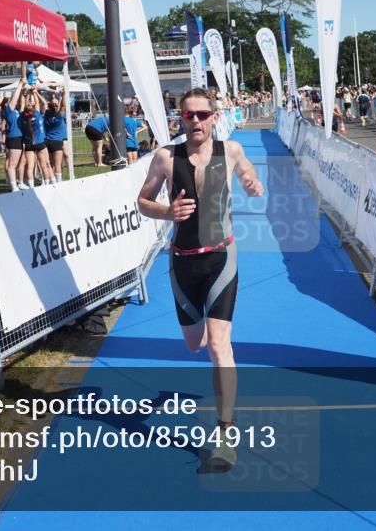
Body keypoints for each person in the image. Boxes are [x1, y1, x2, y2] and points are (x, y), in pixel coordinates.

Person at [136, 88, 264, 470]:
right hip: (183, 263)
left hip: (222, 258)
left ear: (214, 116)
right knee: (195, 344)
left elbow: (249, 174)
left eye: (202, 114)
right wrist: (167, 211)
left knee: (219, 347)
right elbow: (142, 202)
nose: (195, 121)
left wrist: (253, 185)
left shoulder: (232, 150)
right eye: (188, 114)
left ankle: (225, 434)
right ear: (180, 117)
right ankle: (204, 329)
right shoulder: (165, 157)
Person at [20, 86, 55, 187]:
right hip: (39, 142)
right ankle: (48, 184)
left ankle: (31, 186)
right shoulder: (37, 114)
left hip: (29, 144)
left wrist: (27, 95)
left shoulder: (23, 117)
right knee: (44, 165)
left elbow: (24, 105)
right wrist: (34, 92)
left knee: (30, 166)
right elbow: (39, 104)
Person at [1, 82, 26, 191]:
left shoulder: (15, 111)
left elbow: (22, 102)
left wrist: (25, 92)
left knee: (21, 162)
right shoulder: (8, 111)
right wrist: (20, 85)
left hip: (20, 138)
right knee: (12, 164)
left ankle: (20, 183)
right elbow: (15, 98)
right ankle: (13, 186)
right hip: (14, 137)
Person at [44, 90, 68, 182]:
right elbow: (63, 106)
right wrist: (64, 94)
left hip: (47, 141)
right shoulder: (59, 117)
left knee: (49, 163)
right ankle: (58, 181)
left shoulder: (45, 116)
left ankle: (51, 180)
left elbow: (44, 107)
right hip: (57, 141)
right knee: (58, 164)